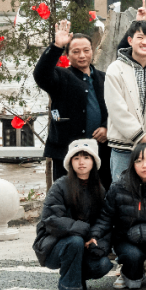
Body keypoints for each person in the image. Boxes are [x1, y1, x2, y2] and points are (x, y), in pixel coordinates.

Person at [90, 143, 146, 290]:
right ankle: (129, 272)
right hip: (126, 238)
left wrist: (137, 233)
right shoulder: (118, 187)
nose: (145, 165)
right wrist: (94, 235)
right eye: (139, 160)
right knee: (133, 275)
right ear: (132, 164)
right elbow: (106, 217)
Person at [34, 139, 114, 290]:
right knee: (75, 241)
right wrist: (84, 231)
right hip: (54, 245)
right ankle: (67, 286)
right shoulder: (60, 185)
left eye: (86, 157)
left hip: (82, 245)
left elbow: (103, 221)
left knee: (103, 264)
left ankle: (76, 277)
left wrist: (94, 238)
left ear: (94, 161)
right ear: (70, 162)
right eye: (76, 158)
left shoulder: (99, 189)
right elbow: (51, 219)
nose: (81, 162)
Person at [34, 20, 110, 186]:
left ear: (92, 51)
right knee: (67, 196)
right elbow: (41, 74)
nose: (82, 55)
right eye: (76, 51)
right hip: (66, 153)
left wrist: (107, 127)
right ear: (67, 55)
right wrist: (57, 46)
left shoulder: (105, 78)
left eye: (86, 50)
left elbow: (118, 109)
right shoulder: (61, 77)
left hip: (100, 152)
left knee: (101, 195)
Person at [105, 20, 146, 180]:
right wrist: (140, 136)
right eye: (140, 37)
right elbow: (116, 108)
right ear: (130, 40)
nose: (145, 42)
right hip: (123, 147)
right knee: (122, 190)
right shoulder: (115, 69)